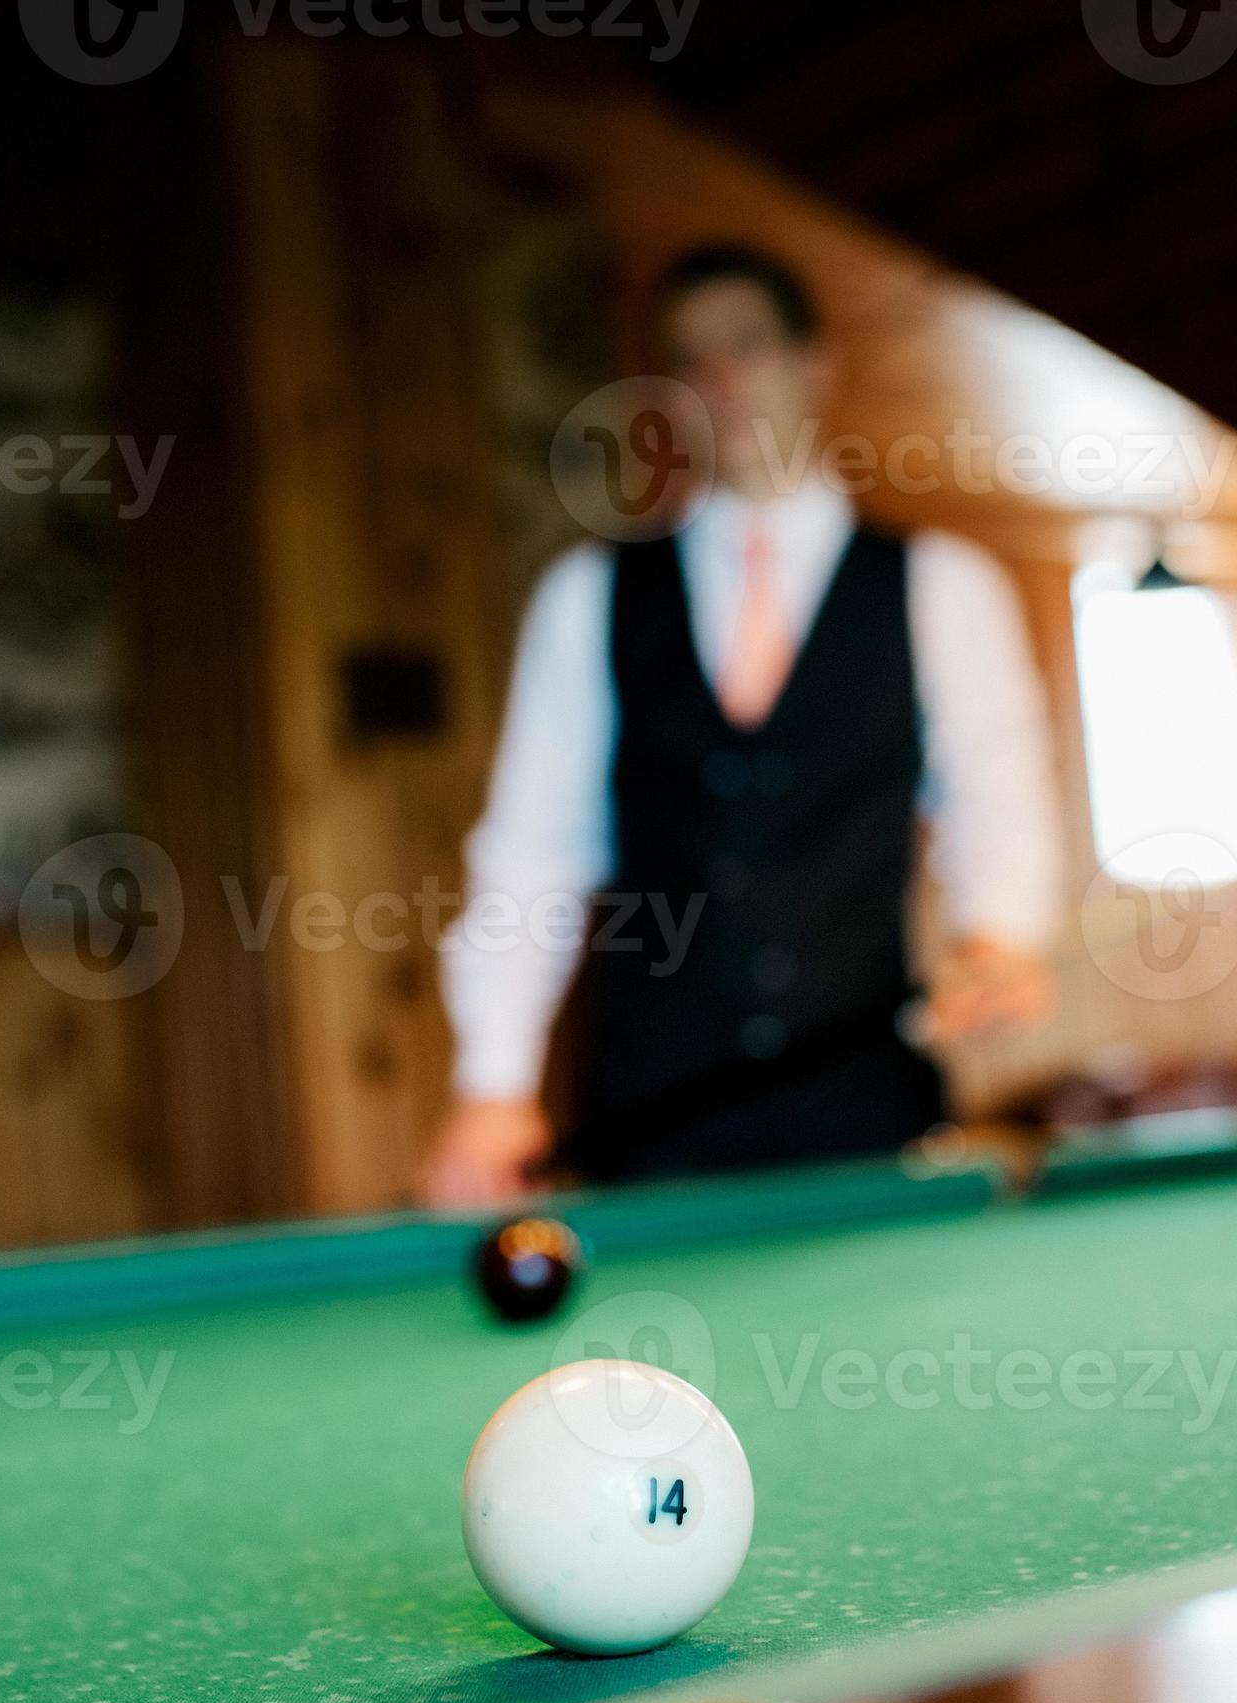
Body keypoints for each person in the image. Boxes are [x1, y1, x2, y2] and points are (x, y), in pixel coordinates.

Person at [419, 243, 1062, 1205]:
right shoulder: (588, 597)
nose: (720, 381)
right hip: (651, 1130)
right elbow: (533, 853)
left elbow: (998, 797)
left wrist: (999, 937)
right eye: (689, 359)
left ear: (814, 364)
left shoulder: (942, 588)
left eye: (746, 346)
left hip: (865, 1123)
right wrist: (491, 1084)